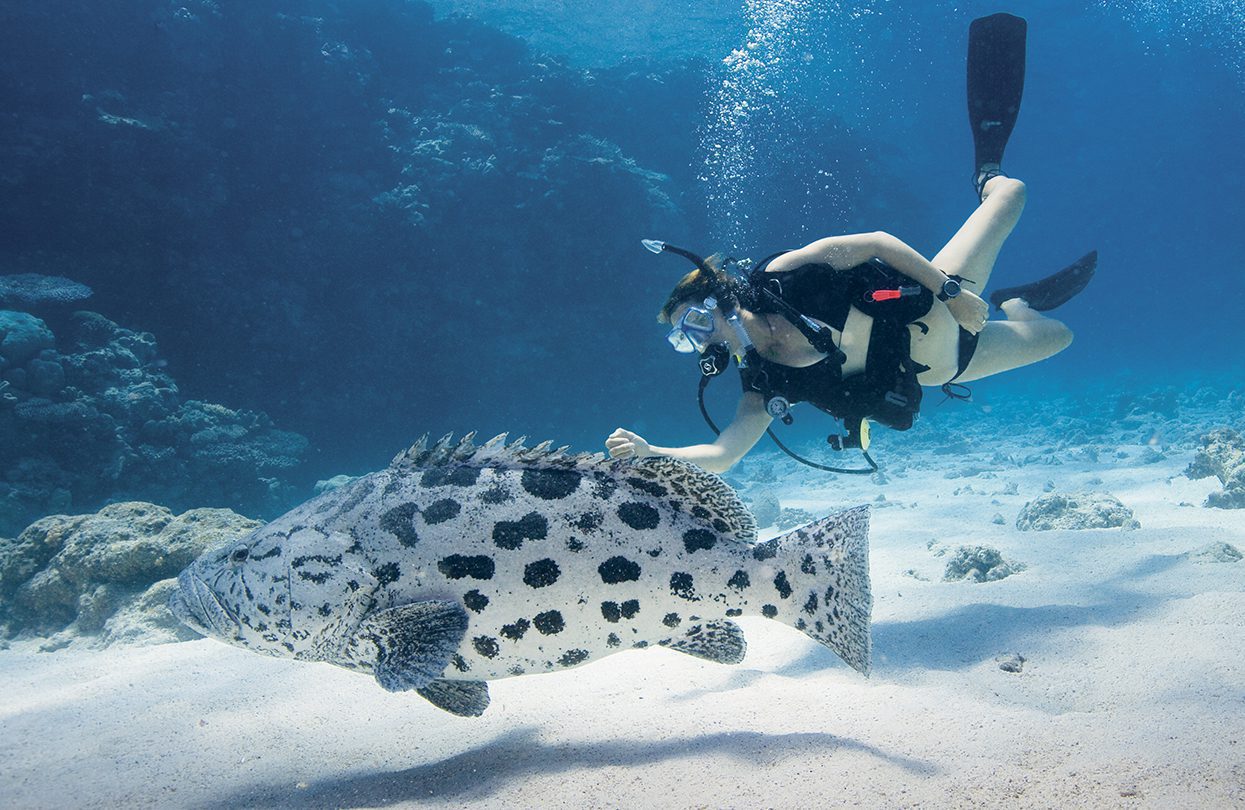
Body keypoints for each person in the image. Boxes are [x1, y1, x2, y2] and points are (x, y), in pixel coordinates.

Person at [605, 13, 1095, 474]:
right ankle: (1018, 302)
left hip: (944, 302)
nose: (697, 342)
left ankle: (986, 171)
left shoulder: (785, 278)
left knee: (1012, 193)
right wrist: (653, 452)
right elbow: (723, 453)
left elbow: (874, 242)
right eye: (682, 340)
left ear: (721, 298)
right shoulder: (764, 379)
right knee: (1062, 337)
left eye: (693, 323)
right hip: (942, 366)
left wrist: (952, 294)